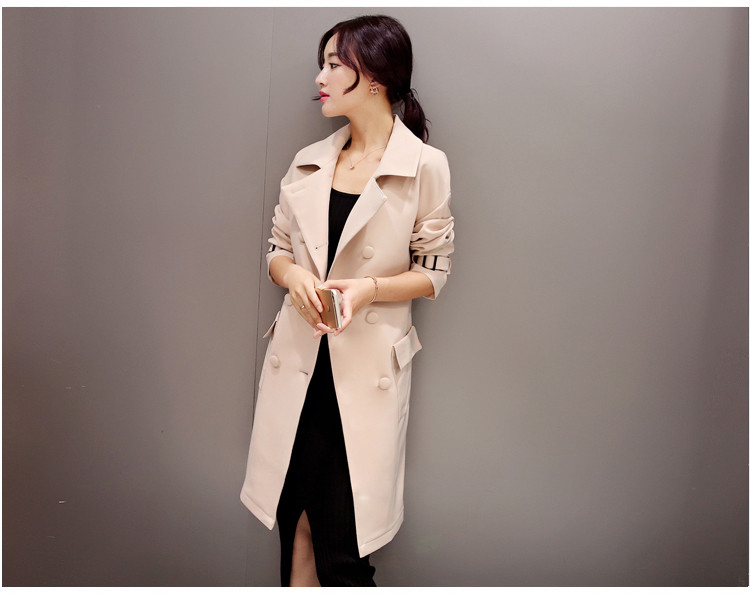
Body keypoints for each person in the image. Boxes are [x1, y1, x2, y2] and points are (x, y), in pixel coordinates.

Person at [240, 14, 454, 587]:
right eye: (324, 63)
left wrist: (368, 290)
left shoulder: (423, 166)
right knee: (296, 535)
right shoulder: (309, 160)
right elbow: (276, 250)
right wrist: (293, 277)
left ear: (376, 77)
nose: (321, 76)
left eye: (335, 64)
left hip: (361, 378)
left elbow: (434, 272)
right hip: (299, 368)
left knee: (343, 551)